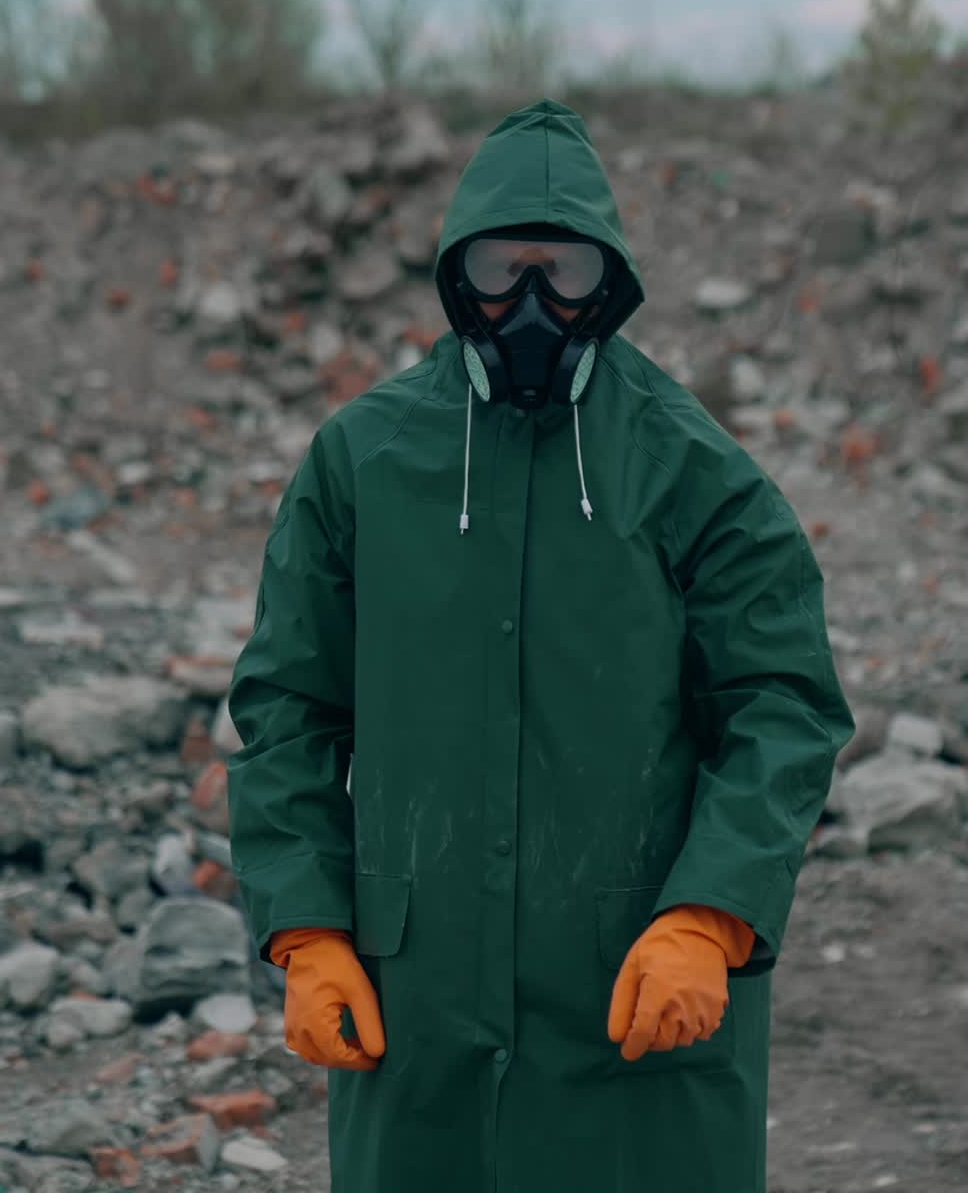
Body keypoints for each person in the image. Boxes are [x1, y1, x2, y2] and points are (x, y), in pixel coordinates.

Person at [224, 98, 854, 1193]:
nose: (528, 302)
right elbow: (287, 707)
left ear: (606, 282)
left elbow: (783, 701)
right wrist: (307, 927)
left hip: (633, 1006)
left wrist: (711, 911)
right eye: (499, 269)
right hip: (418, 1010)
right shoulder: (361, 462)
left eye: (559, 271)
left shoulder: (691, 469)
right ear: (451, 274)